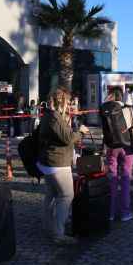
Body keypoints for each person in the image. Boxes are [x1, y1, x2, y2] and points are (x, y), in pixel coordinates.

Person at [38, 87, 89, 245]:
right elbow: (67, 138)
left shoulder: (49, 115)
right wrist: (80, 132)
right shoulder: (54, 117)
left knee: (52, 195)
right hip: (57, 162)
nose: (70, 105)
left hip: (49, 162)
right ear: (62, 102)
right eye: (68, 102)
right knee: (67, 195)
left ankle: (49, 227)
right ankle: (58, 234)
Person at [101, 88, 133, 222]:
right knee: (126, 178)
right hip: (127, 147)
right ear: (121, 97)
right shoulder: (127, 109)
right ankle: (125, 212)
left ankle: (110, 212)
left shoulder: (105, 110)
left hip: (111, 147)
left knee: (112, 178)